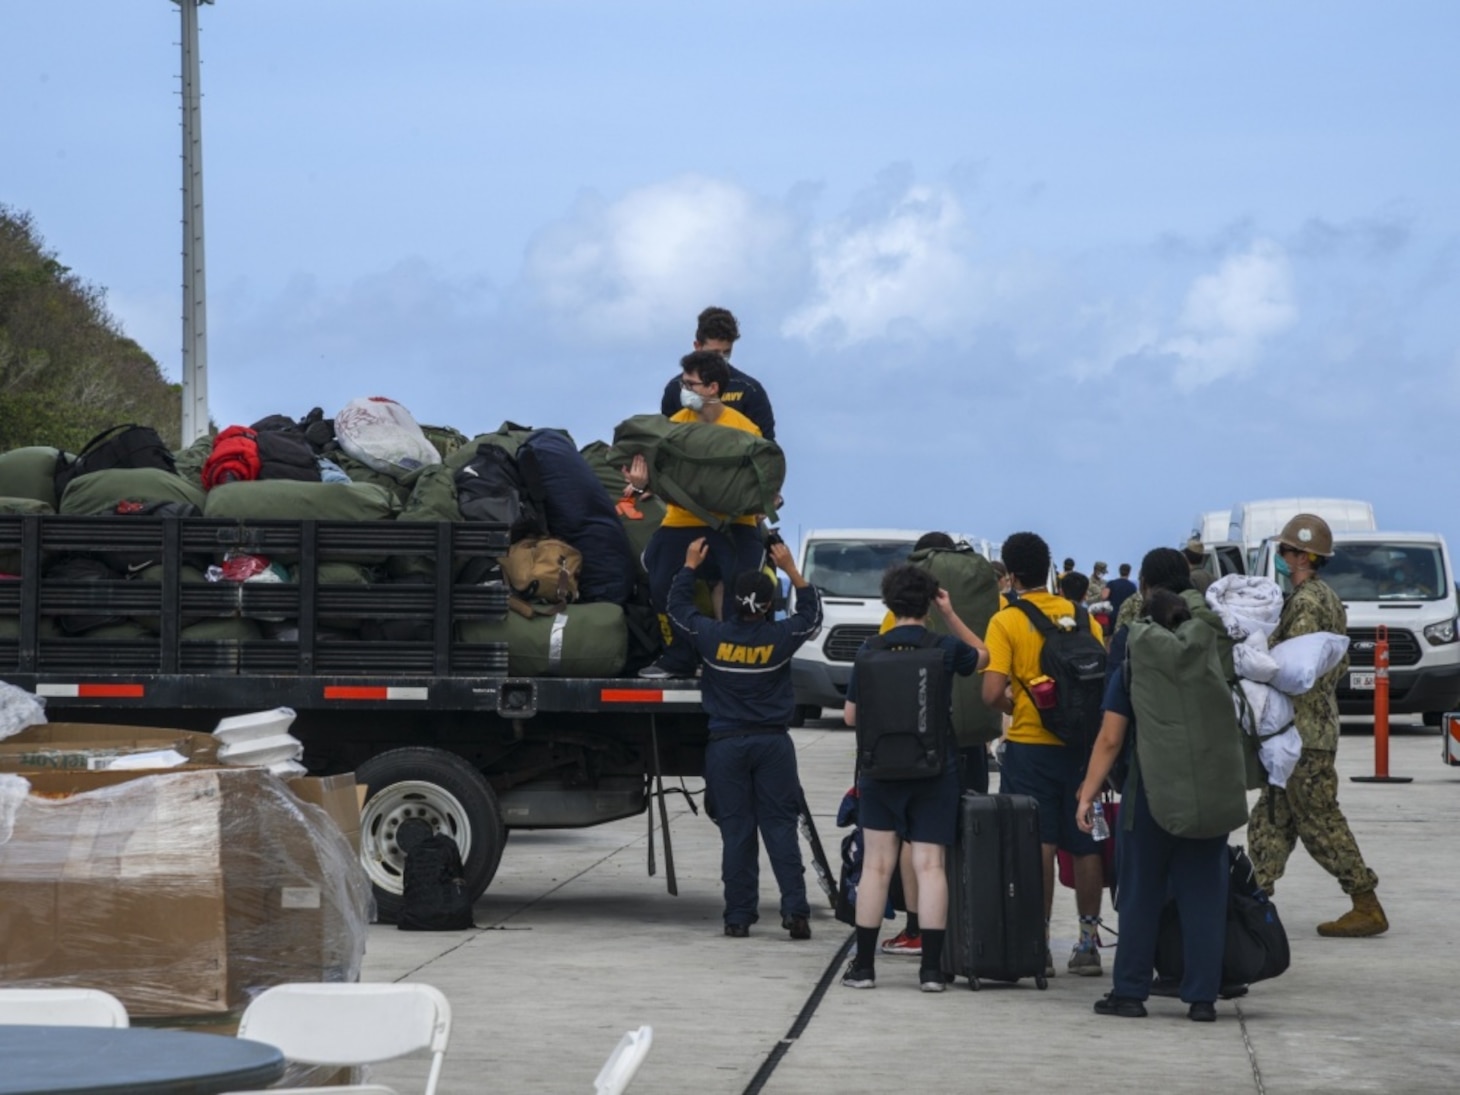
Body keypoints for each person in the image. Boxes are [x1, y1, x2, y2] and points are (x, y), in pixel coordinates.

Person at [1076, 583, 1230, 1022]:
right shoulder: (1213, 664)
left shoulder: (1133, 669)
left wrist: (1087, 795)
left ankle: (1129, 992)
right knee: (1204, 896)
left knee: (1140, 893)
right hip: (1208, 793)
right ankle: (1202, 998)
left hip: (1148, 795)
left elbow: (1110, 740)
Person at [841, 565, 988, 992]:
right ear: (928, 602)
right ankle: (930, 971)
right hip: (934, 771)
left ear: (888, 603)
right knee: (930, 866)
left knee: (876, 866)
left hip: (879, 773)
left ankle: (865, 968)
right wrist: (951, 614)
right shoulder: (943, 648)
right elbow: (983, 656)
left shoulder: (869, 650)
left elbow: (851, 715)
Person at [667, 536, 823, 938]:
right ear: (769, 605)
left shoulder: (711, 637)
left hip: (726, 746)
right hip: (773, 745)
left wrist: (688, 566)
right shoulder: (780, 640)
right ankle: (795, 912)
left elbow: (677, 610)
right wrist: (790, 568)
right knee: (780, 828)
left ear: (732, 601)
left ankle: (738, 917)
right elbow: (811, 616)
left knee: (737, 832)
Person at [1247, 514, 1387, 937]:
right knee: (1272, 815)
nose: (1283, 559)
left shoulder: (1308, 601)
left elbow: (1295, 667)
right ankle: (1255, 898)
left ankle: (1365, 901)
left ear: (1304, 556)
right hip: (1305, 730)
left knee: (1319, 820)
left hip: (1303, 733)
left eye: (1288, 552)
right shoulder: (1326, 596)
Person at [981, 532, 1106, 978]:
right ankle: (1089, 943)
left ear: (1011, 575)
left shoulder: (1007, 620)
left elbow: (992, 691)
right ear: (1051, 567)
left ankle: (1039, 942)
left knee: (1040, 843)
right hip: (1082, 748)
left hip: (1032, 747)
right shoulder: (1081, 614)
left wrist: (1019, 707)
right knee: (1085, 841)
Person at [874, 533, 1002, 960]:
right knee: (958, 841)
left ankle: (914, 929)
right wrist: (950, 614)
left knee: (912, 848)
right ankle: (961, 931)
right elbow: (982, 655)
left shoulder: (880, 639)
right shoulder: (949, 641)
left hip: (899, 757)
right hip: (957, 747)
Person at [629, 351, 768, 679]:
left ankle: (730, 656)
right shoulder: (673, 425)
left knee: (740, 581)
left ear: (712, 388)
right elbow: (657, 479)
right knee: (661, 578)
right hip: (682, 521)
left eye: (690, 384)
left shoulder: (745, 429)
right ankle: (676, 657)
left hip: (734, 524)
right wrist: (639, 484)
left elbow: (762, 478)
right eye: (683, 382)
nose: (684, 389)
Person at [659, 307, 776, 440]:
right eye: (714, 353)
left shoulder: (749, 389)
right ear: (697, 346)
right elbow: (665, 442)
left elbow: (768, 449)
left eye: (726, 352)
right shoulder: (676, 388)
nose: (720, 359)